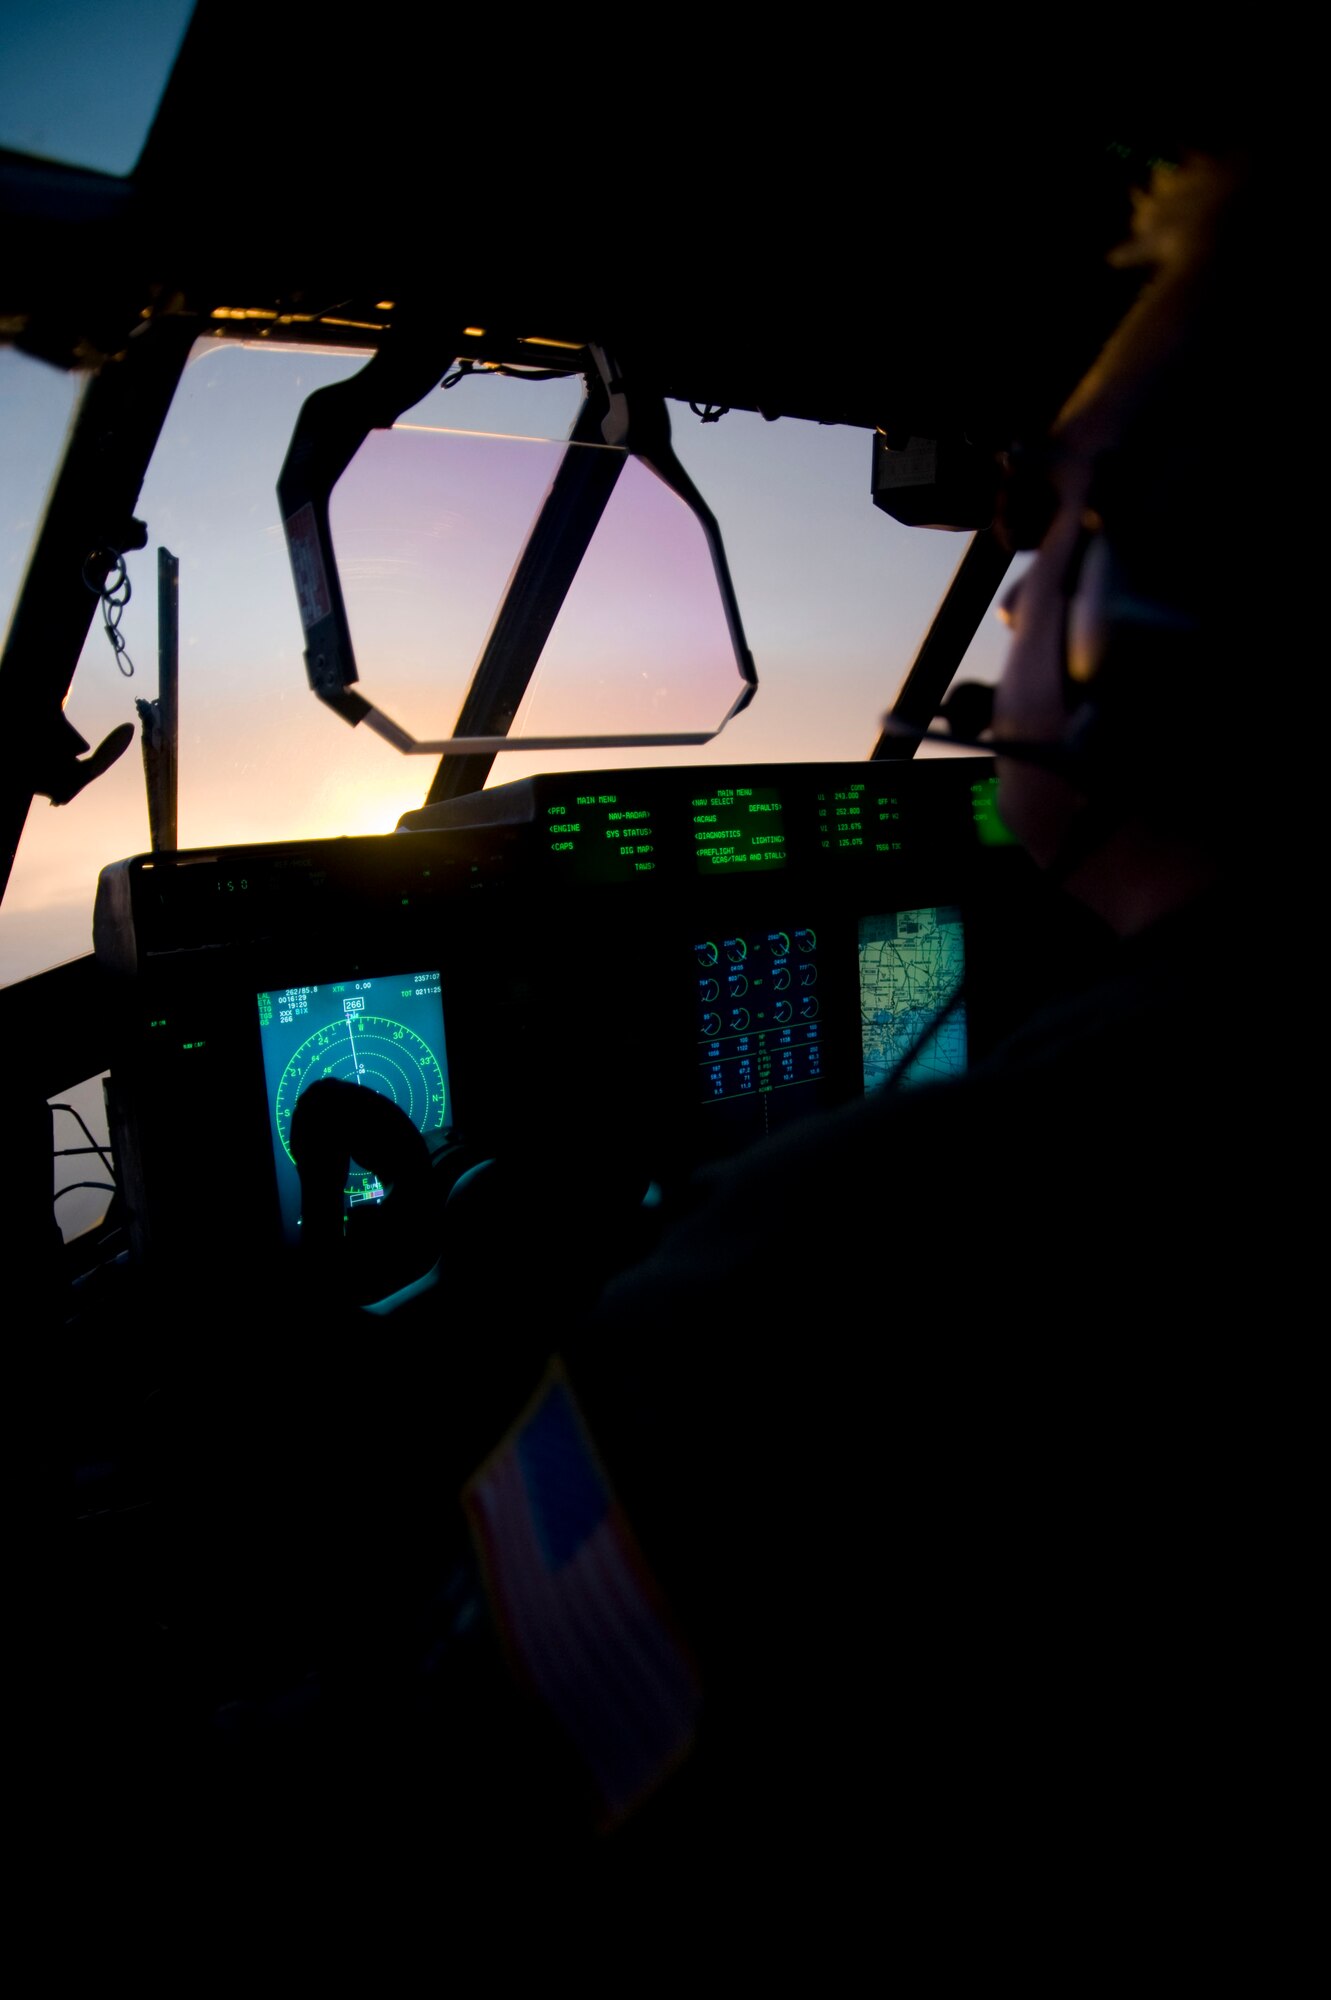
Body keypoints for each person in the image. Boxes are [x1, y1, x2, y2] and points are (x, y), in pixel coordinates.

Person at [456, 142, 1316, 1940]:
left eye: (1067, 510)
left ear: (1174, 612)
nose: (1014, 583)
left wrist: (556, 1349)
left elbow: (425, 1798)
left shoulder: (870, 1263)